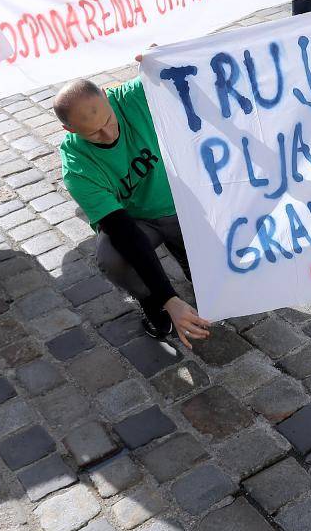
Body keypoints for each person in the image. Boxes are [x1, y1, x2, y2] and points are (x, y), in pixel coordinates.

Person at [55, 74, 212, 345]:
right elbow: (124, 231)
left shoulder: (134, 96)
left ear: (107, 95)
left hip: (186, 203)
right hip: (138, 221)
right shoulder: (76, 166)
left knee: (214, 282)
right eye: (93, 133)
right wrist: (167, 297)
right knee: (113, 257)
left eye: (108, 120)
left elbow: (190, 71)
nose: (107, 134)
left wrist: (161, 56)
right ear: (71, 131)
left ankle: (192, 260)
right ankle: (152, 303)